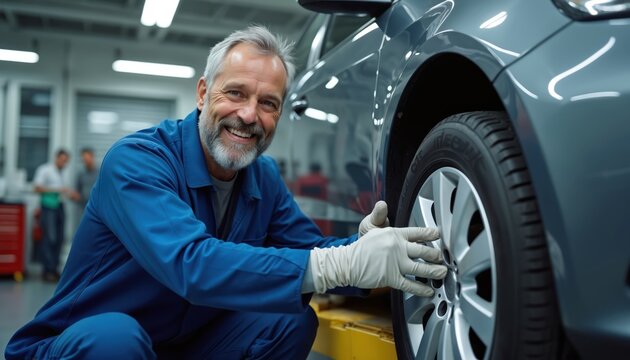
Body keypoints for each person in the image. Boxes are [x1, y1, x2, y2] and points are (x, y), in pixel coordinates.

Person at [5, 26, 447, 360]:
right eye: (235, 93)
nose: (249, 115)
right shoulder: (137, 161)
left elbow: (313, 250)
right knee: (116, 340)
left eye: (269, 103)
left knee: (288, 320)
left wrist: (366, 247)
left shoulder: (262, 178)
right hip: (87, 345)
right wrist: (339, 262)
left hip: (180, 343)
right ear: (202, 94)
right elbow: (190, 265)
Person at [31, 149, 79, 282]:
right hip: (48, 208)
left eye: (66, 162)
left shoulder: (63, 174)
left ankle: (54, 269)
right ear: (56, 158)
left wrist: (71, 195)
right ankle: (47, 271)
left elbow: (64, 191)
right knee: (49, 238)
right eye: (63, 160)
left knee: (59, 239)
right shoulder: (45, 170)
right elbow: (36, 188)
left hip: (59, 207)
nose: (64, 164)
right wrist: (57, 190)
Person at [75, 147, 99, 212]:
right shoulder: (81, 174)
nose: (85, 161)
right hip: (84, 208)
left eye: (86, 159)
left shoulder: (100, 173)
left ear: (92, 157)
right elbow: (78, 191)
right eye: (83, 159)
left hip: (97, 208)